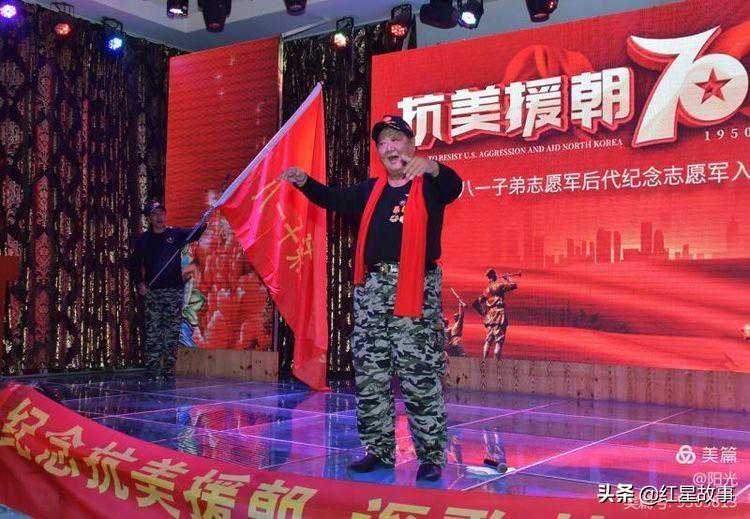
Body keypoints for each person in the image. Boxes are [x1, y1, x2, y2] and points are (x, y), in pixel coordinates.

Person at [280, 115, 462, 482]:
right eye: (383, 143)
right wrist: (304, 182)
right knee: (370, 375)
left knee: (418, 375)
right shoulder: (371, 190)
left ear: (411, 145)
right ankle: (379, 450)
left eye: (396, 139)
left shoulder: (429, 185)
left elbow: (454, 186)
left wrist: (433, 167)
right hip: (372, 293)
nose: (390, 147)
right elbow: (332, 199)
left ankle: (430, 455)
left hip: (415, 291)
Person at [129, 201, 212, 376]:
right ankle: (153, 371)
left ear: (165, 215)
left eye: (161, 213)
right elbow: (134, 263)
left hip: (174, 292)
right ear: (149, 219)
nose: (159, 217)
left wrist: (204, 220)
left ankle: (168, 371)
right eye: (154, 214)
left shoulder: (175, 234)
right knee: (153, 332)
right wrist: (139, 283)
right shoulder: (143, 240)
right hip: (153, 293)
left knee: (172, 333)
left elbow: (195, 233)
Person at [473, 269, 518, 359]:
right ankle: (496, 362)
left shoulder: (486, 290)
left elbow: (475, 304)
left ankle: (484, 360)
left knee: (488, 339)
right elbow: (513, 285)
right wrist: (508, 278)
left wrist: (483, 312)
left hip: (490, 315)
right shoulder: (499, 285)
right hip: (499, 313)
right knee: (499, 340)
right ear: (495, 276)